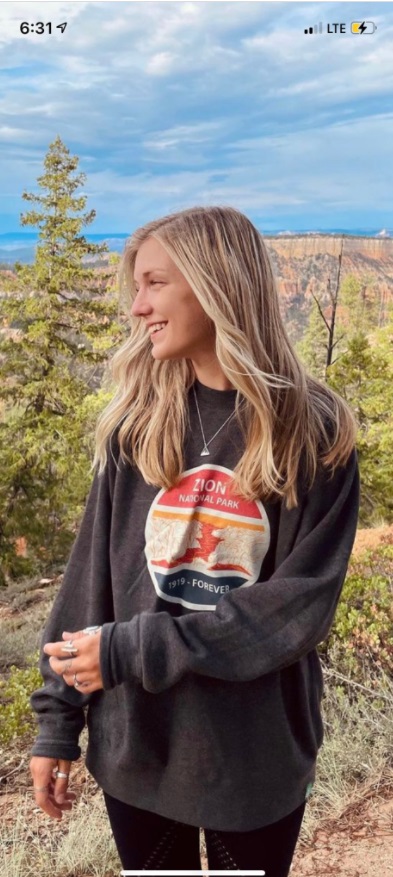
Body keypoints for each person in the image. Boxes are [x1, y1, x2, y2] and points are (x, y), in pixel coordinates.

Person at [30, 205, 360, 876]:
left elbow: (297, 606)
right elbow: (88, 578)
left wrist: (134, 646)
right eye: (135, 286)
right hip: (138, 742)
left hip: (251, 752)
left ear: (215, 286)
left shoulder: (311, 431)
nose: (136, 306)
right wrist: (57, 719)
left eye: (154, 283)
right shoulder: (135, 424)